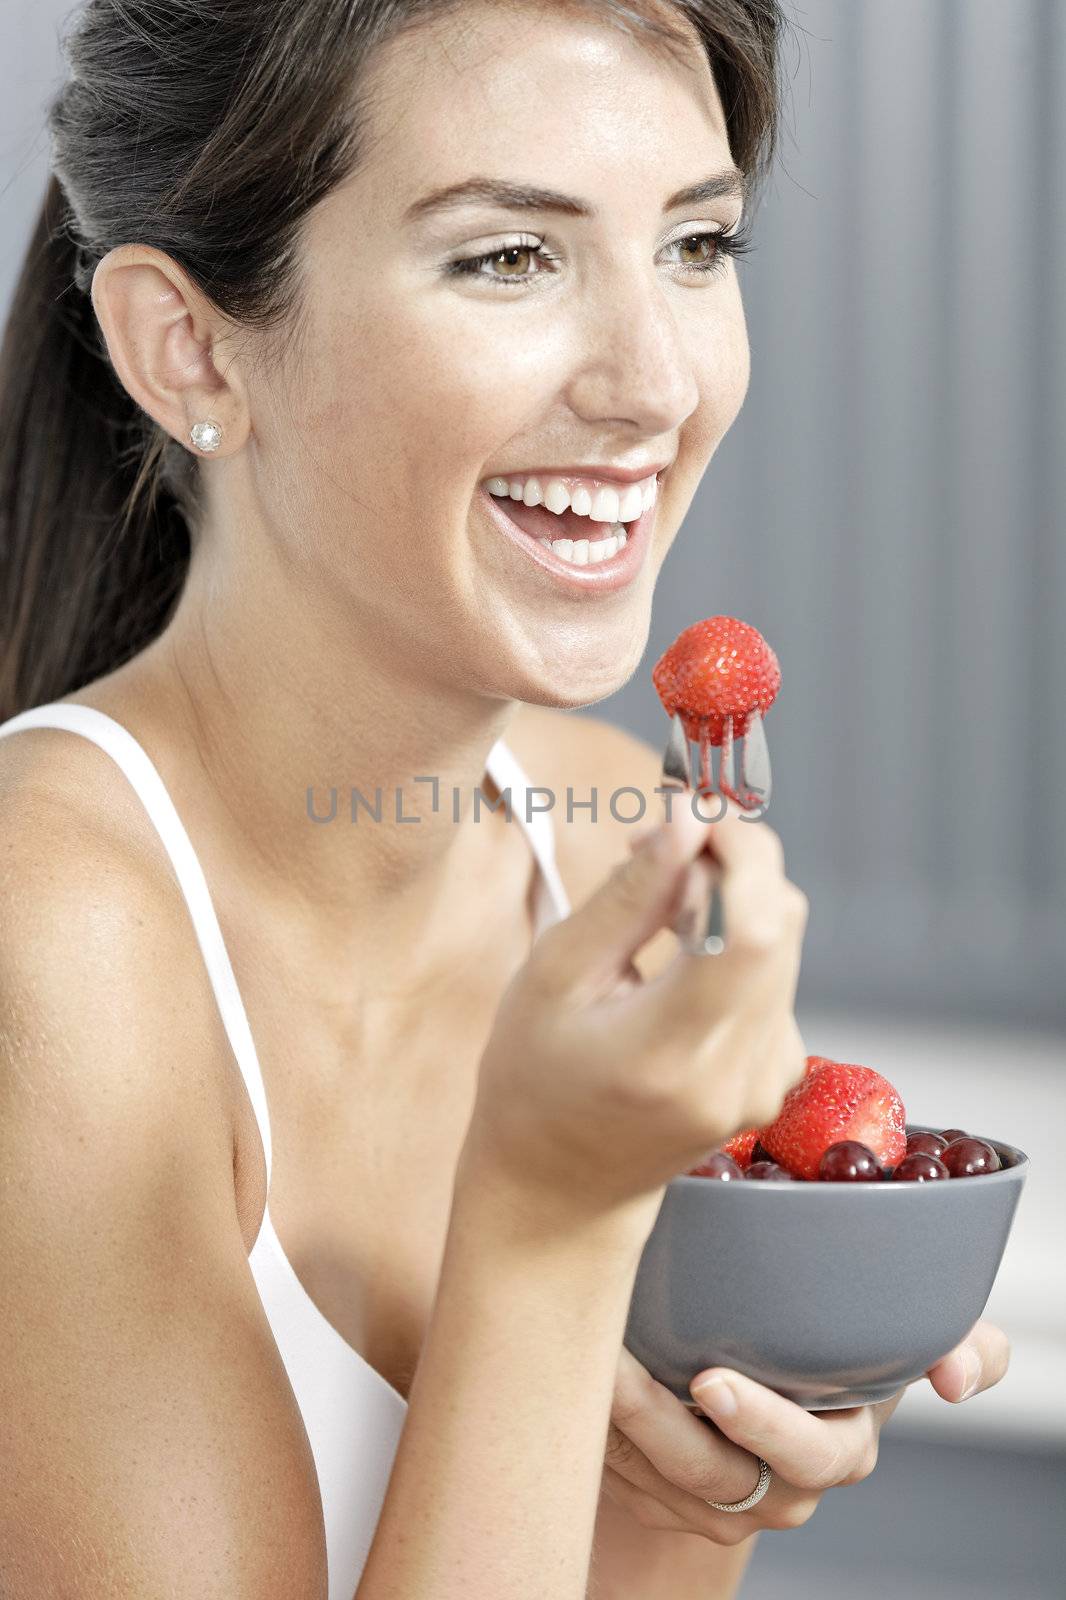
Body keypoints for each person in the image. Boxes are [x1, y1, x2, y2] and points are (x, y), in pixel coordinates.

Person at [0, 2, 1010, 1597]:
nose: (653, 385)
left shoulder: (619, 832)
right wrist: (548, 1221)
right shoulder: (42, 938)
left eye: (695, 246)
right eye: (507, 258)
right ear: (188, 347)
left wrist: (705, 1463)